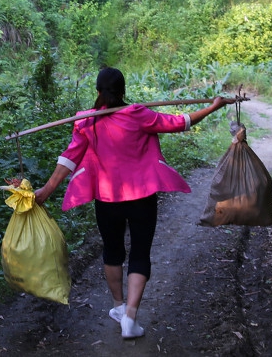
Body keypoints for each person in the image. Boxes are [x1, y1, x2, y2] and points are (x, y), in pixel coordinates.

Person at [32, 66, 231, 339]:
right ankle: (130, 317)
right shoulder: (138, 114)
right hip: (142, 199)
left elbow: (69, 158)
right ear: (123, 91)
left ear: (98, 91)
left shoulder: (87, 121)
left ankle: (118, 306)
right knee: (139, 253)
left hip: (107, 200)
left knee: (112, 252)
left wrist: (47, 190)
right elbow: (181, 122)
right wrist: (213, 107)